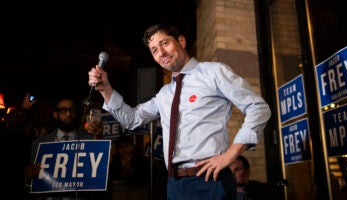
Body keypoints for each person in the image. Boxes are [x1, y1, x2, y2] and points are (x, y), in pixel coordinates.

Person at [87, 23, 271, 199]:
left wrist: (230, 155)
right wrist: (106, 90)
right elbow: (132, 119)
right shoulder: (164, 94)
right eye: (154, 50)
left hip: (209, 180)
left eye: (165, 43)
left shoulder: (213, 72)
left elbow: (258, 108)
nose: (161, 53)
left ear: (181, 41)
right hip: (174, 184)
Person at [24, 97, 105, 200]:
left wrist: (99, 138)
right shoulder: (40, 143)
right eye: (63, 110)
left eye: (72, 110)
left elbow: (99, 174)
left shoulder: (89, 140)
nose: (68, 114)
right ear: (55, 114)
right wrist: (28, 179)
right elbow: (32, 185)